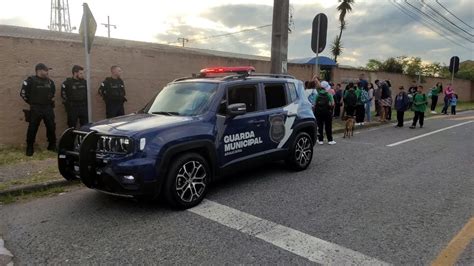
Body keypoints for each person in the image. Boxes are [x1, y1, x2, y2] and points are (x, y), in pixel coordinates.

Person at [20, 63, 56, 156]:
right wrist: (32, 103)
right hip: (36, 108)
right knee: (32, 128)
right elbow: (23, 94)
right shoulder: (30, 81)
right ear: (39, 70)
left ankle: (52, 145)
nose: (47, 72)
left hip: (48, 107)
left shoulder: (50, 82)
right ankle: (30, 147)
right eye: (46, 70)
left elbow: (52, 93)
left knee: (51, 127)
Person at [314, 79, 336, 145]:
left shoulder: (317, 94)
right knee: (328, 126)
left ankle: (320, 140)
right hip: (327, 112)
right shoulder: (329, 95)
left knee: (320, 126)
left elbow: (314, 104)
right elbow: (333, 104)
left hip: (319, 112)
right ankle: (330, 140)